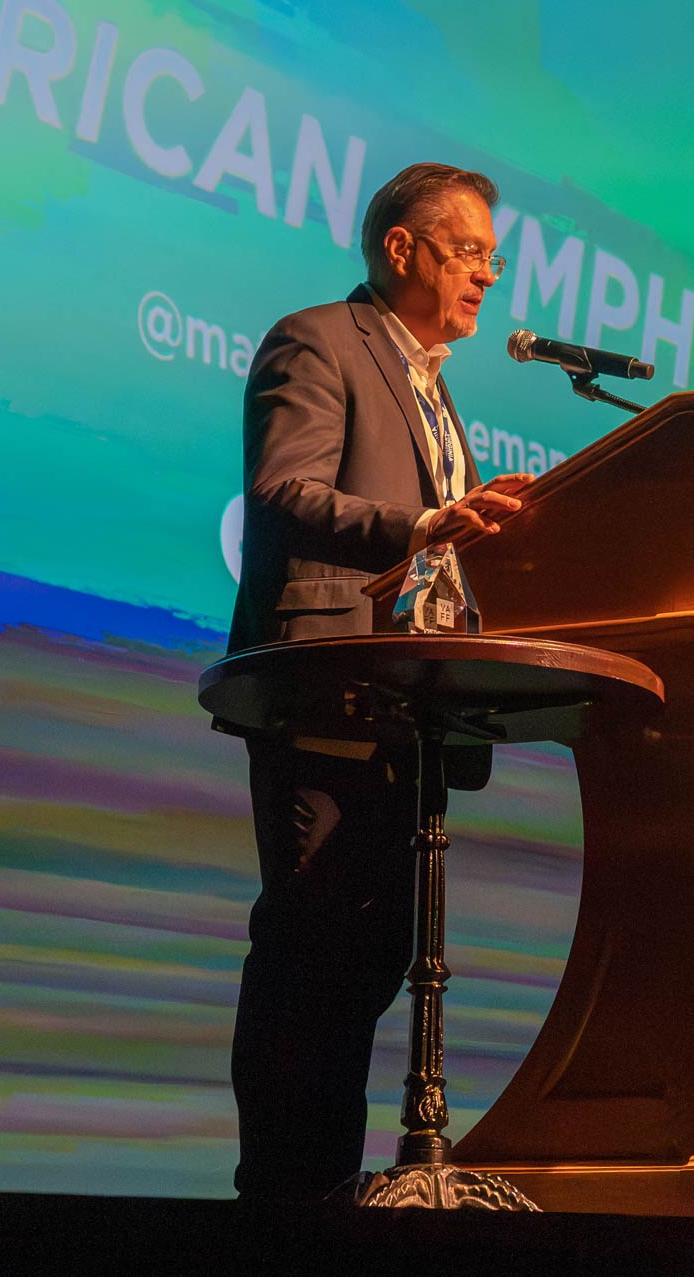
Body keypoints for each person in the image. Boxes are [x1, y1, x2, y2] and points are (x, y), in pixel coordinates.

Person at [225, 162, 532, 1202]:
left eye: (494, 256)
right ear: (401, 248)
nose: (488, 275)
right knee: (311, 940)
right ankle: (280, 1196)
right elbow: (281, 492)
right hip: (327, 691)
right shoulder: (318, 340)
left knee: (371, 952)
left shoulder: (435, 387)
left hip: (411, 708)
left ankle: (322, 1185)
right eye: (470, 252)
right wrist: (416, 525)